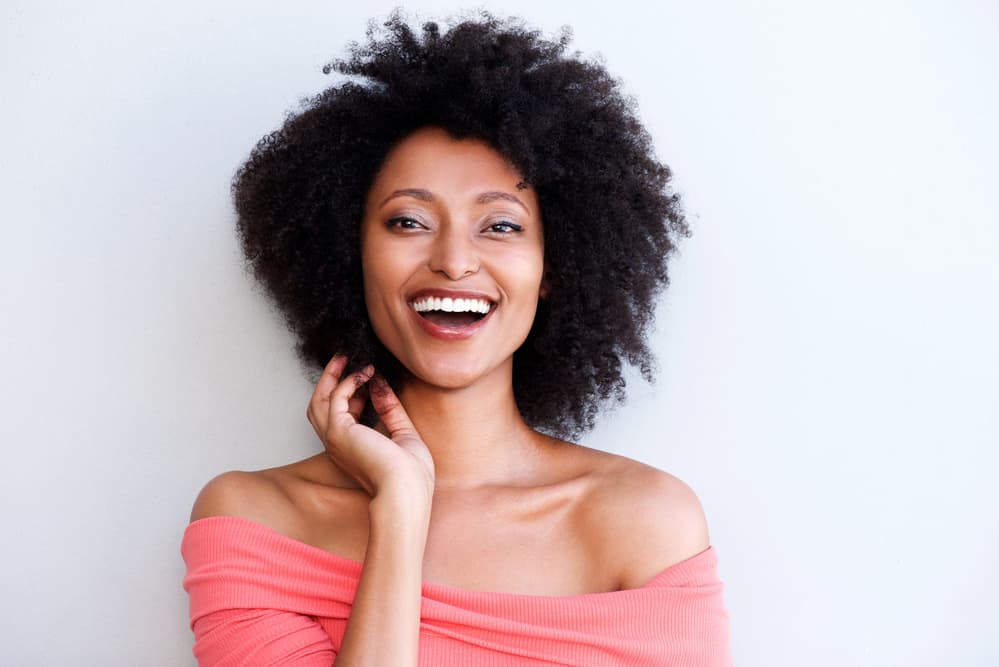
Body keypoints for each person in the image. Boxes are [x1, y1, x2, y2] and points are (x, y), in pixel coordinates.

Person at [181, 10, 732, 666]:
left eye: (499, 226)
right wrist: (400, 512)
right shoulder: (252, 520)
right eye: (408, 220)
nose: (453, 261)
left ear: (552, 267)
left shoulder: (646, 523)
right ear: (348, 254)